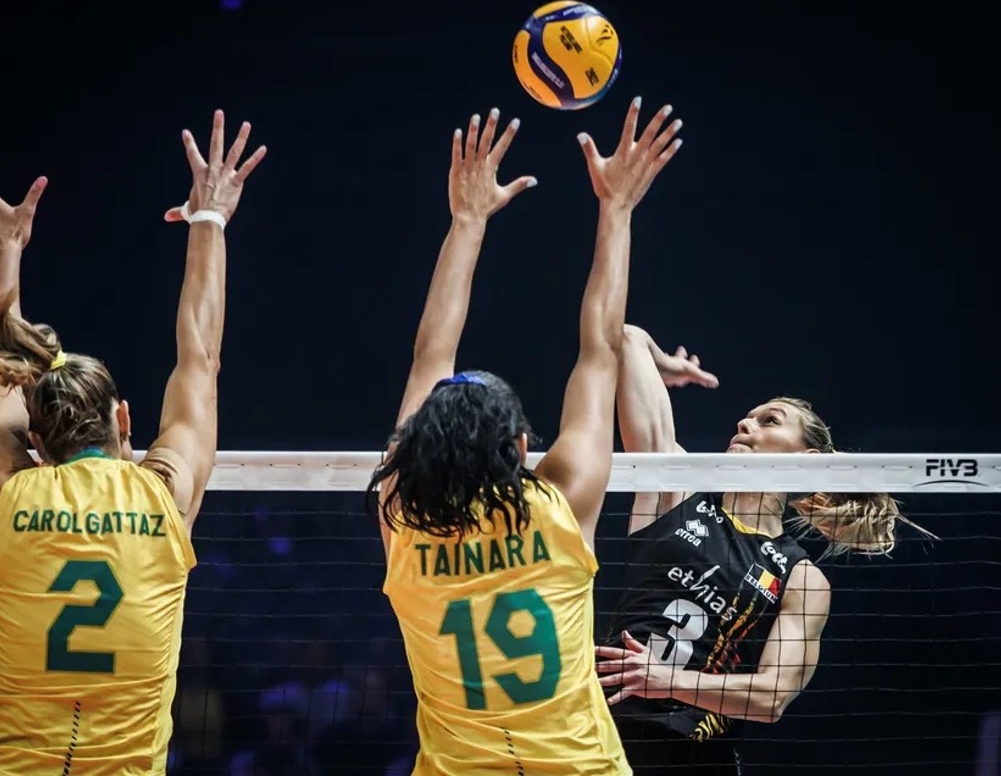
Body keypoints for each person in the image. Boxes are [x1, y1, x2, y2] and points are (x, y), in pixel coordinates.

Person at [368, 99, 684, 774]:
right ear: (520, 450)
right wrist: (616, 210)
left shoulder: (400, 516)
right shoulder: (562, 502)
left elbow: (430, 357)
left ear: (421, 444)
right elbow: (601, 348)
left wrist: (465, 222)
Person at [0, 109, 265, 775]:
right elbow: (200, 362)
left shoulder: (9, 494)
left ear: (35, 440)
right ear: (124, 419)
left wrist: (7, 253)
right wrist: (208, 225)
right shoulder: (163, 497)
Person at [595, 324, 933, 774]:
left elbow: (772, 696)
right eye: (748, 417)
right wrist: (666, 366)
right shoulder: (675, 491)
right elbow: (627, 336)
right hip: (599, 737)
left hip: (693, 758)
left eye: (769, 420)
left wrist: (664, 681)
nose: (744, 423)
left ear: (806, 461)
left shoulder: (802, 577)